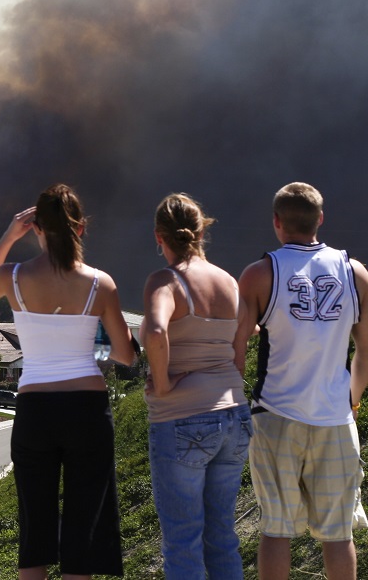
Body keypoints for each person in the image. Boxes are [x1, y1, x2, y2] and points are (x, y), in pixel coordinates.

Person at [0, 184, 135, 580]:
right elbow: (125, 355)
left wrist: (10, 234)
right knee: (82, 533)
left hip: (35, 411)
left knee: (35, 533)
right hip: (87, 410)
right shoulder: (101, 284)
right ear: (81, 229)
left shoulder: (14, 278)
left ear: (36, 228)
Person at [234, 182, 368, 580]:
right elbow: (366, 351)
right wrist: (353, 401)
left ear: (277, 222)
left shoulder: (259, 274)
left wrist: (235, 409)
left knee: (276, 531)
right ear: (320, 219)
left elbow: (237, 351)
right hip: (334, 418)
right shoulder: (355, 272)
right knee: (338, 534)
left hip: (275, 415)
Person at [141, 194, 250, 579]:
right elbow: (243, 344)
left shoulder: (165, 281)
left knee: (183, 540)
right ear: (202, 230)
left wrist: (166, 383)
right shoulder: (230, 283)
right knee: (221, 534)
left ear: (159, 236)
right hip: (234, 415)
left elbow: (155, 331)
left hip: (182, 419)